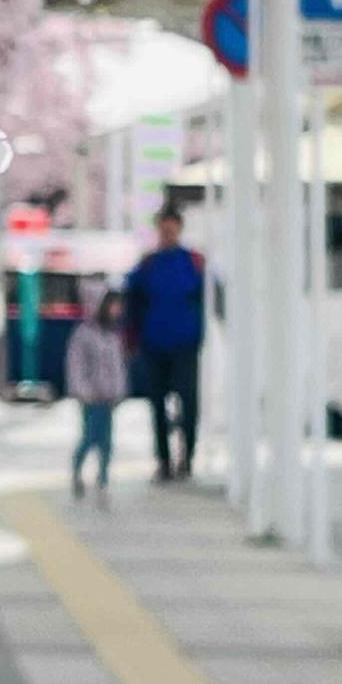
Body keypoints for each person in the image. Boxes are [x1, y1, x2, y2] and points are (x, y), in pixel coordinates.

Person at [125, 206, 205, 483]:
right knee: (157, 405)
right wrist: (131, 341)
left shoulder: (194, 263)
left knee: (189, 403)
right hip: (154, 344)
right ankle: (164, 459)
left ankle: (187, 457)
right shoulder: (147, 266)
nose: (167, 234)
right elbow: (132, 304)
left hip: (185, 344)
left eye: (171, 229)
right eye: (163, 229)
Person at [66, 291, 126, 502]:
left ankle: (102, 480)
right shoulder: (84, 333)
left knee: (107, 442)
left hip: (108, 396)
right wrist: (83, 391)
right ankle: (77, 472)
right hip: (91, 396)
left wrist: (119, 391)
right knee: (90, 437)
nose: (117, 310)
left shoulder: (112, 334)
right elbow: (76, 366)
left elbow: (118, 366)